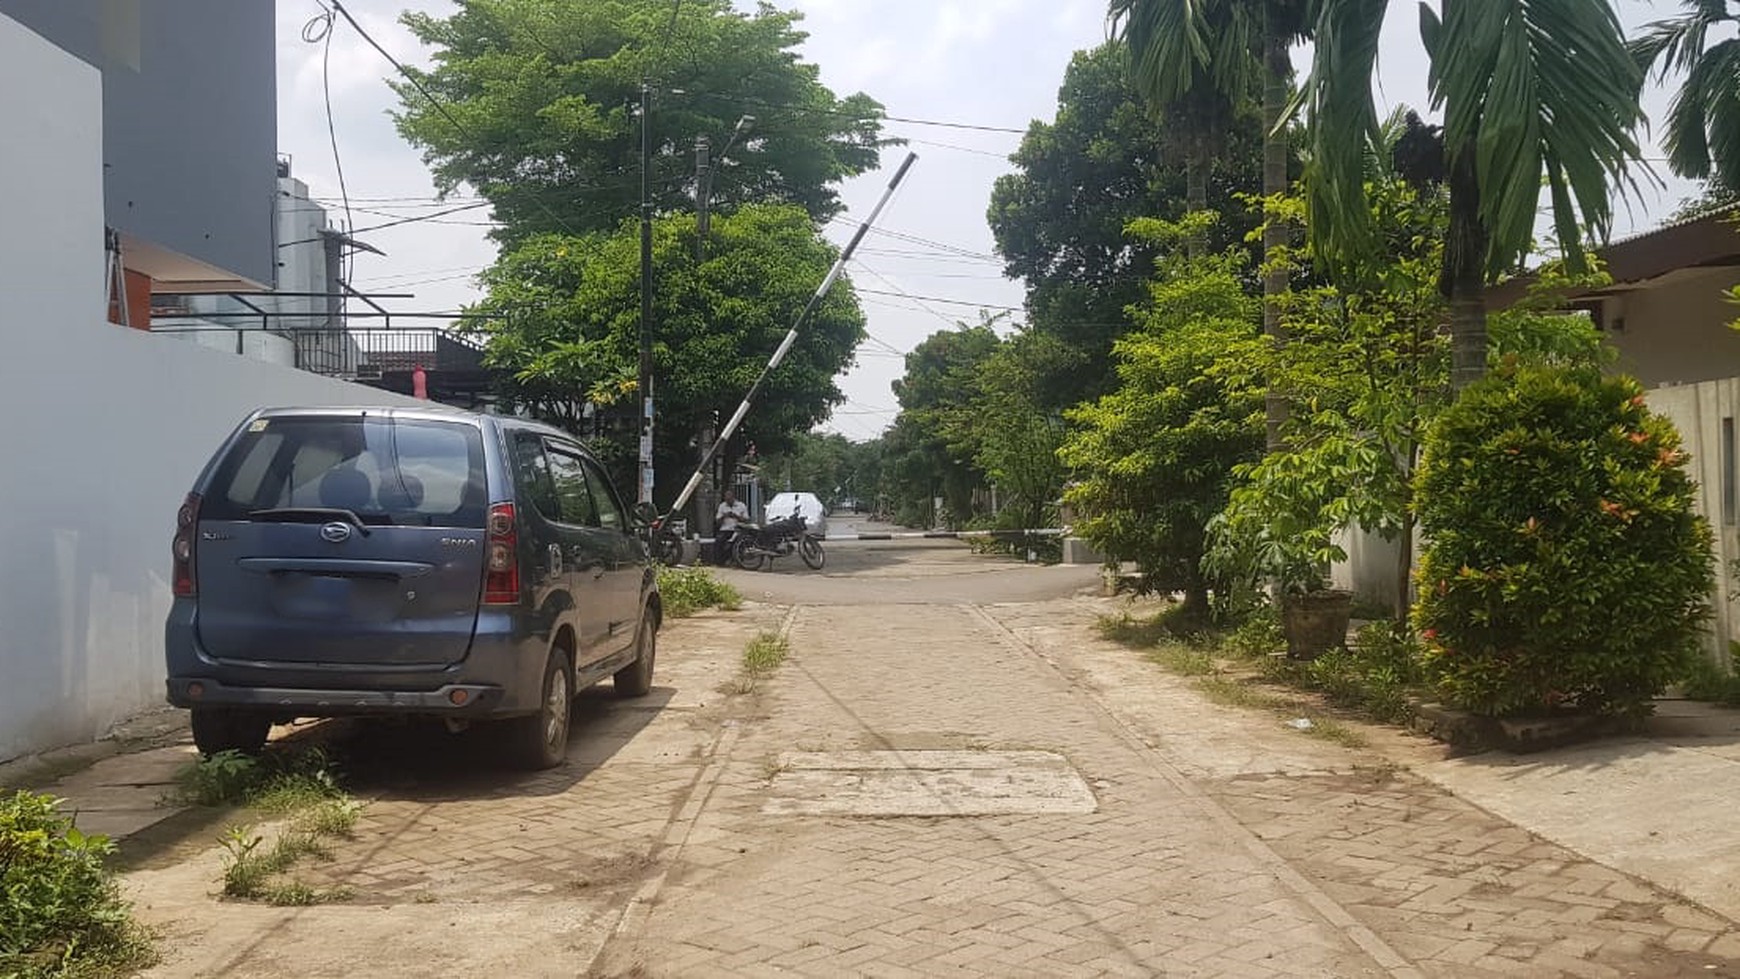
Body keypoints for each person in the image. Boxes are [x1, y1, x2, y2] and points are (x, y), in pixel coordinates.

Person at [714, 489, 749, 565]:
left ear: (733, 497)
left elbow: (746, 520)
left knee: (735, 542)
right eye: (726, 499)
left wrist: (736, 516)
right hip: (725, 529)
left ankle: (737, 560)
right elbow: (717, 521)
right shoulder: (722, 506)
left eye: (729, 499)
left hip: (737, 529)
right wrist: (724, 516)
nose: (728, 500)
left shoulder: (741, 505)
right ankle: (720, 562)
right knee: (719, 541)